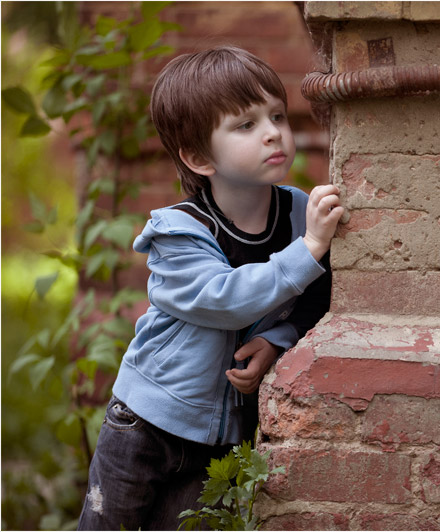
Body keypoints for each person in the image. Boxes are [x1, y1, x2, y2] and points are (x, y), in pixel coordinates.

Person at [77, 46, 344, 530]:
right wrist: (308, 249)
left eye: (277, 115)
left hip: (223, 437)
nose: (272, 133)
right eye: (246, 125)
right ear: (200, 157)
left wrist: (274, 342)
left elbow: (320, 295)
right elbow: (222, 299)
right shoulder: (178, 231)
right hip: (146, 425)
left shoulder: (299, 213)